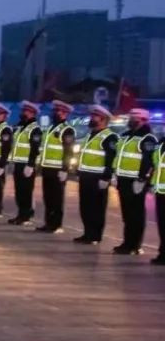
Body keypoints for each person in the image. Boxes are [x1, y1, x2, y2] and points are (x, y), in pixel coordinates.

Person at [112, 108, 157, 255]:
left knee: (136, 215)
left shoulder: (148, 138)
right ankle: (127, 242)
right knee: (127, 214)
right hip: (123, 180)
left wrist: (142, 178)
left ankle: (134, 245)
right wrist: (115, 174)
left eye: (134, 118)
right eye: (130, 117)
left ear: (142, 120)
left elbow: (148, 161)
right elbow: (118, 156)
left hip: (136, 181)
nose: (130, 120)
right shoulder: (125, 136)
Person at [74, 105, 118, 245]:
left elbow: (111, 159)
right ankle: (87, 233)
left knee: (97, 208)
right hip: (86, 176)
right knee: (85, 206)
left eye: (95, 116)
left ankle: (95, 235)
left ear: (103, 119)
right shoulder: (90, 135)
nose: (91, 118)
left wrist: (106, 177)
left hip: (98, 178)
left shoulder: (109, 137)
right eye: (92, 115)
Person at [36, 100, 77, 234]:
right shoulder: (51, 128)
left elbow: (68, 151)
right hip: (47, 168)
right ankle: (48, 222)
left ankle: (56, 224)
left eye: (58, 111)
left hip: (58, 170)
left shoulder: (67, 130)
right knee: (47, 198)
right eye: (55, 110)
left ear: (65, 113)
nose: (55, 113)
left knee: (56, 199)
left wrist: (65, 169)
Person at [8, 101, 43, 226]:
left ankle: (26, 215)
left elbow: (35, 148)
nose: (23, 113)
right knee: (19, 191)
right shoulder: (21, 127)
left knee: (26, 191)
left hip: (26, 165)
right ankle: (20, 214)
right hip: (18, 163)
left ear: (33, 113)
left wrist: (30, 165)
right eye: (23, 111)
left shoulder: (35, 129)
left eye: (26, 111)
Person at [149, 139, 165, 265]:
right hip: (160, 191)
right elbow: (156, 165)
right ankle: (163, 253)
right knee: (162, 225)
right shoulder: (161, 143)